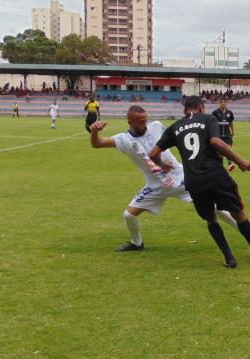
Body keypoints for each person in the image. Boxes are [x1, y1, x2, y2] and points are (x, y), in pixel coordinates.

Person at [89, 106, 239, 252]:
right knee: (129, 215)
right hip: (156, 185)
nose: (145, 124)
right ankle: (137, 243)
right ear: (130, 121)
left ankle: (247, 234)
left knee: (213, 208)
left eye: (146, 120)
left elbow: (177, 135)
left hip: (180, 178)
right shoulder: (123, 139)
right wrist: (94, 132)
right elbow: (98, 143)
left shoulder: (156, 126)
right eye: (141, 122)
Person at [149, 96, 250, 268]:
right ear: (201, 107)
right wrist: (240, 161)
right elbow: (215, 142)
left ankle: (229, 258)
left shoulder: (174, 127)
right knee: (237, 212)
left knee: (211, 219)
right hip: (215, 176)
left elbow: (153, 154)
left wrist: (162, 164)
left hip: (194, 182)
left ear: (185, 109)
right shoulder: (208, 119)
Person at [211, 98, 237, 172]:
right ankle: (220, 166)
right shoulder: (215, 112)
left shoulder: (230, 112)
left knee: (228, 148)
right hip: (218, 135)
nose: (223, 103)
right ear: (219, 103)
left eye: (224, 102)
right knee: (219, 153)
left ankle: (230, 164)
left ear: (226, 103)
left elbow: (231, 123)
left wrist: (233, 131)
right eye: (221, 102)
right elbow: (212, 123)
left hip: (227, 135)